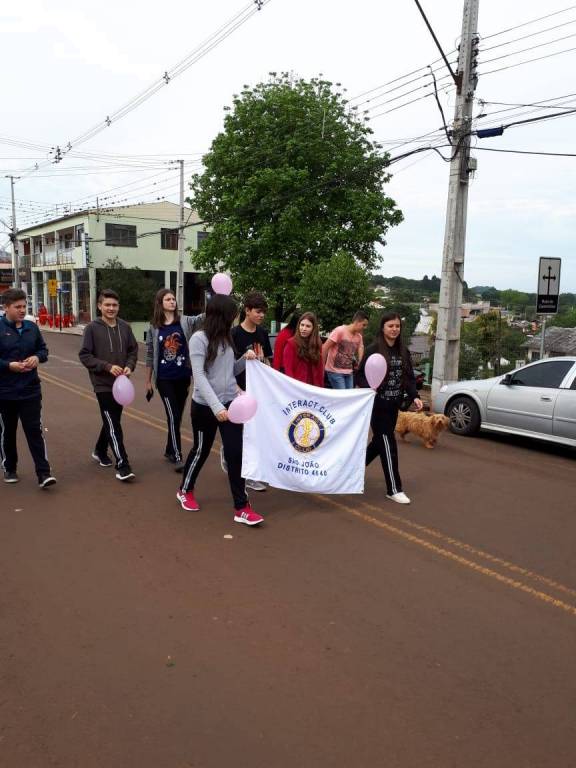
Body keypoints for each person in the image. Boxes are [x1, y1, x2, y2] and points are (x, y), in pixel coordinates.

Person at [177, 294, 263, 526]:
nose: (234, 319)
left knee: (236, 453)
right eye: (231, 315)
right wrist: (216, 406)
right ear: (221, 315)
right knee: (201, 450)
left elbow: (228, 372)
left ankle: (241, 507)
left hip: (230, 405)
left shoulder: (227, 338)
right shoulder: (199, 339)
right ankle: (185, 490)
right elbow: (199, 376)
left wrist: (245, 359)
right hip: (205, 406)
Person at [357, 312, 423, 505]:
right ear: (383, 328)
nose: (394, 329)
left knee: (378, 443)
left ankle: (350, 470)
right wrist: (369, 387)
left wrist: (415, 396)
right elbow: (359, 375)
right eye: (390, 326)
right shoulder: (373, 349)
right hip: (377, 406)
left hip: (394, 406)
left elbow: (409, 378)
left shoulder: (403, 351)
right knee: (388, 444)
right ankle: (394, 489)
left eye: (397, 326)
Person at [78, 288, 138, 481]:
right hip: (102, 384)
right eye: (107, 305)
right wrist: (106, 366)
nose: (111, 308)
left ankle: (100, 450)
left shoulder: (125, 327)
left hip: (121, 385)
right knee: (113, 422)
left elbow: (133, 350)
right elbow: (85, 355)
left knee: (112, 421)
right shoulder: (92, 328)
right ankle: (123, 465)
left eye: (114, 305)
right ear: (99, 306)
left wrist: (129, 366)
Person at [0, 289, 56, 488]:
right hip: (5, 392)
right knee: (8, 432)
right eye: (18, 307)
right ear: (6, 307)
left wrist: (37, 357)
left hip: (30, 390)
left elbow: (43, 350)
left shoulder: (32, 328)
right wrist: (9, 366)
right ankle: (10, 467)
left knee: (35, 431)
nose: (22, 310)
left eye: (24, 306)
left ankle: (44, 473)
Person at [145, 289, 203, 467]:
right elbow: (150, 354)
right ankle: (177, 456)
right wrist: (148, 381)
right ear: (160, 303)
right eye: (168, 299)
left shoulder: (184, 321)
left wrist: (217, 300)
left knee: (176, 417)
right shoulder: (154, 327)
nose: (172, 302)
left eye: (173, 299)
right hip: (164, 379)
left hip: (183, 377)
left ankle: (169, 449)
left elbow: (202, 318)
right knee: (173, 415)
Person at [228, 291, 272, 492]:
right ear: (247, 310)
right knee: (242, 435)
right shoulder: (234, 334)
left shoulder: (262, 333)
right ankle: (246, 474)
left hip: (258, 392)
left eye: (263, 312)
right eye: (258, 311)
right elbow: (229, 367)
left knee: (255, 433)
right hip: (240, 392)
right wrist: (237, 389)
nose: (261, 315)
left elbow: (267, 360)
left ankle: (251, 473)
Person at [322, 310, 369, 389]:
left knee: (349, 395)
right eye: (363, 325)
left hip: (348, 372)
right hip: (334, 371)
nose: (365, 328)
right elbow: (325, 347)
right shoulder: (340, 331)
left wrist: (360, 362)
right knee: (343, 395)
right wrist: (322, 367)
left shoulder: (359, 337)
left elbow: (361, 348)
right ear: (357, 322)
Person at [283, 312, 324, 386]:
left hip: (314, 386)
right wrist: (293, 386)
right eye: (302, 325)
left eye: (308, 326)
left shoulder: (317, 343)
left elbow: (320, 368)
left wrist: (320, 387)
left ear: (313, 328)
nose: (304, 329)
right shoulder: (291, 344)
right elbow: (288, 370)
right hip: (298, 385)